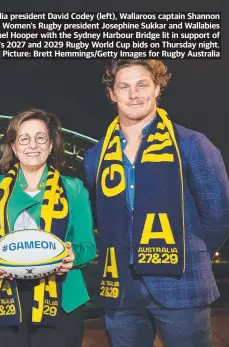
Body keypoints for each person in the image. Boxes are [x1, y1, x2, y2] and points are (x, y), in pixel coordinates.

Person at [84, 59, 229, 347]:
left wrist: (186, 253)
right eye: (124, 87)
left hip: (182, 286)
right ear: (112, 94)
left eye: (142, 85)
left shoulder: (191, 143)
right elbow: (102, 217)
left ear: (158, 89)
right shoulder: (96, 156)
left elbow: (219, 214)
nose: (133, 94)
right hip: (121, 289)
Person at [0, 108, 96, 347]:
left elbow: (88, 246)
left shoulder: (74, 189)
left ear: (51, 145)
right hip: (3, 297)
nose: (33, 145)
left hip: (63, 298)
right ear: (13, 146)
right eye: (24, 138)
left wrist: (74, 255)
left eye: (40, 137)